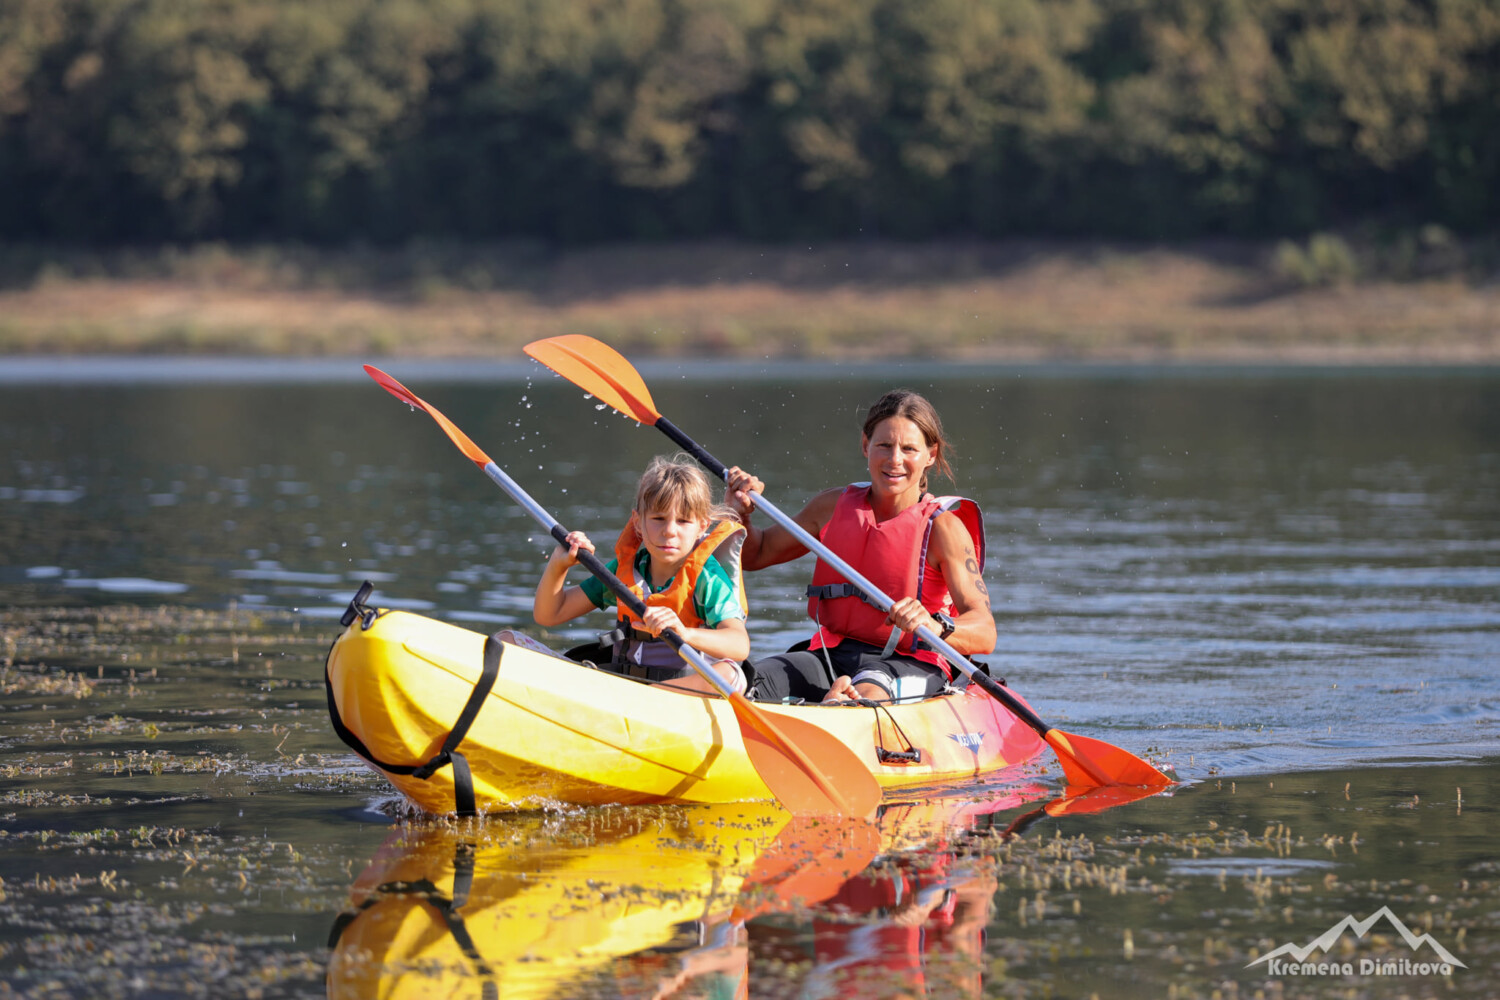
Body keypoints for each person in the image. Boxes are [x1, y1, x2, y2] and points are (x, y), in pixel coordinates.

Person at [724, 389, 993, 704]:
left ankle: (841, 710)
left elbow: (985, 631)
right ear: (866, 446)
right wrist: (739, 513)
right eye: (884, 445)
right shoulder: (831, 506)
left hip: (909, 662)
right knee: (747, 682)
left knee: (865, 693)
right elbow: (757, 553)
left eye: (909, 448)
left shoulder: (943, 529)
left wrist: (932, 625)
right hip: (829, 654)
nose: (895, 460)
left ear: (930, 456)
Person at [533, 454, 751, 695]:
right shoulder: (623, 573)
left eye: (683, 521)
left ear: (702, 526)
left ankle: (647, 699)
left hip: (679, 694)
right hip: (624, 686)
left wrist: (684, 633)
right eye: (658, 519)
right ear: (638, 522)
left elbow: (739, 644)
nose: (669, 531)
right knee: (508, 640)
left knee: (730, 675)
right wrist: (558, 565)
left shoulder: (707, 581)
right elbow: (549, 614)